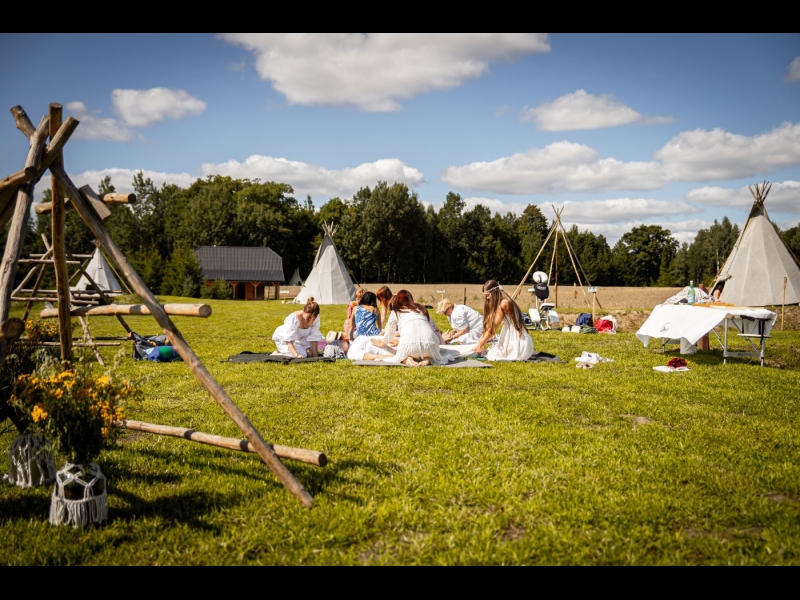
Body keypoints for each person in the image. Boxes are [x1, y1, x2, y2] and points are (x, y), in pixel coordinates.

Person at [375, 289, 447, 367]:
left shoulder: (396, 311)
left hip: (409, 344)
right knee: (423, 348)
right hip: (431, 344)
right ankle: (427, 358)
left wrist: (383, 343)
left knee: (402, 354)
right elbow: (430, 326)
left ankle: (408, 359)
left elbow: (389, 333)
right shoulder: (422, 309)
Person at [471, 280, 534, 361]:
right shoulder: (503, 301)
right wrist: (480, 341)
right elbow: (490, 325)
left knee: (493, 354)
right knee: (492, 351)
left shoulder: (504, 304)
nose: (487, 298)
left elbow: (493, 328)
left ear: (494, 292)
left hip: (518, 340)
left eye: (488, 295)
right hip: (514, 336)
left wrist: (480, 344)